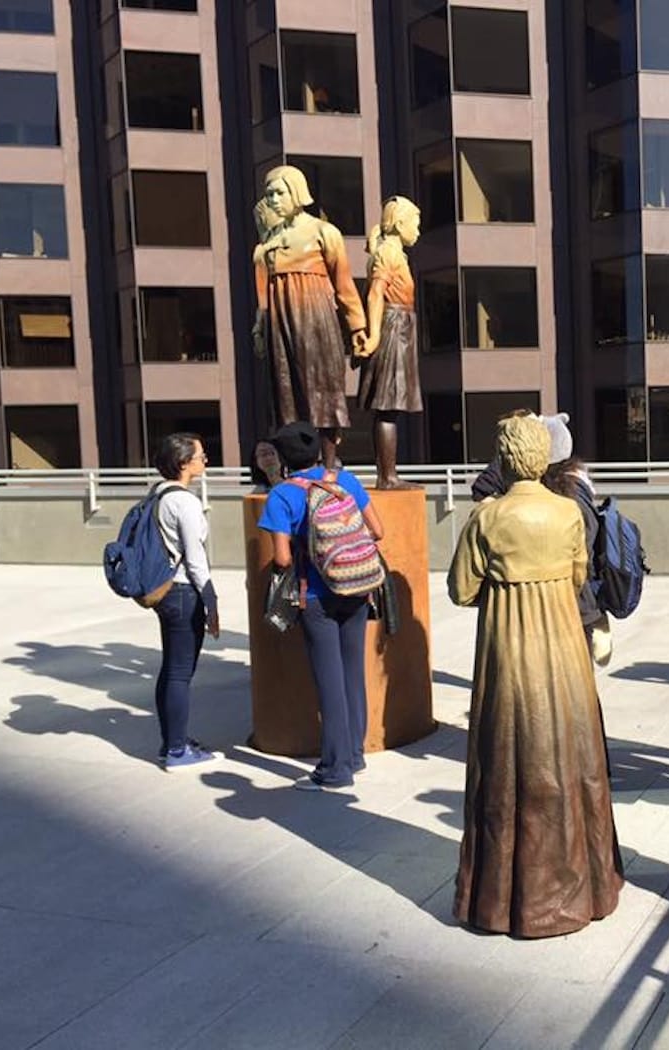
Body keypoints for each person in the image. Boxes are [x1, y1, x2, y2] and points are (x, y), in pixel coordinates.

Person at [447, 413, 623, 937]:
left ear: (504, 458)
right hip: (564, 654)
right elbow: (577, 577)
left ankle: (505, 902)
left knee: (505, 759)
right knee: (573, 755)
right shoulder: (567, 513)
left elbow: (461, 590)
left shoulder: (486, 517)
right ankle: (585, 889)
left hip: (508, 654)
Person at [259, 422, 385, 791]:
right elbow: (378, 530)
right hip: (358, 587)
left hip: (315, 595)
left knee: (329, 682)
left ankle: (336, 769)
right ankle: (355, 754)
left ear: (283, 457)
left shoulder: (282, 495)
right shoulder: (345, 480)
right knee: (352, 673)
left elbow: (282, 559)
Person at [252, 165, 367, 439]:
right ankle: (297, 456)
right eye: (269, 195)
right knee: (285, 392)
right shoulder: (269, 240)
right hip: (279, 324)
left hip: (315, 317)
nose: (273, 200)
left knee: (322, 387)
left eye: (279, 193)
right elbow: (263, 292)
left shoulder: (323, 231)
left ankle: (328, 458)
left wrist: (357, 326)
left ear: (296, 192)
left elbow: (343, 282)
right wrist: (259, 326)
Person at [151, 432, 220, 768]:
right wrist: (211, 601)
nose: (205, 460)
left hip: (164, 591)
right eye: (200, 456)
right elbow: (195, 559)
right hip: (182, 591)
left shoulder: (158, 494)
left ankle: (171, 742)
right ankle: (177, 751)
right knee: (180, 673)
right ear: (183, 462)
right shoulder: (185, 503)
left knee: (170, 669)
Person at [355, 196, 424, 489]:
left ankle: (388, 474)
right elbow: (374, 294)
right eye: (415, 224)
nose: (418, 231)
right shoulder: (389, 253)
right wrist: (374, 336)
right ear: (399, 223)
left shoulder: (392, 253)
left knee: (390, 406)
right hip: (393, 327)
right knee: (388, 405)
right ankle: (387, 477)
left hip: (400, 325)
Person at [537, 414, 613, 666]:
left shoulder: (561, 497)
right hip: (583, 597)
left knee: (571, 668)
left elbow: (580, 553)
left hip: (571, 597)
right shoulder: (578, 485)